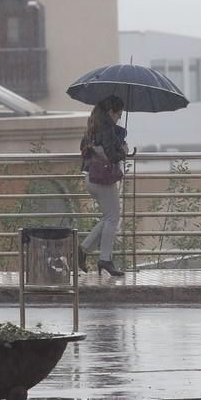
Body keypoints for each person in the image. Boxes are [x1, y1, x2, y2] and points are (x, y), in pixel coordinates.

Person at [79, 95, 128, 277]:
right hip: (103, 179)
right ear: (110, 112)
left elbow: (87, 150)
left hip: (91, 177)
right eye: (119, 114)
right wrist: (123, 149)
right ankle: (105, 259)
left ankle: (83, 250)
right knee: (113, 219)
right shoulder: (107, 129)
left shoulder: (92, 126)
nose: (119, 118)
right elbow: (112, 156)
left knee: (109, 218)